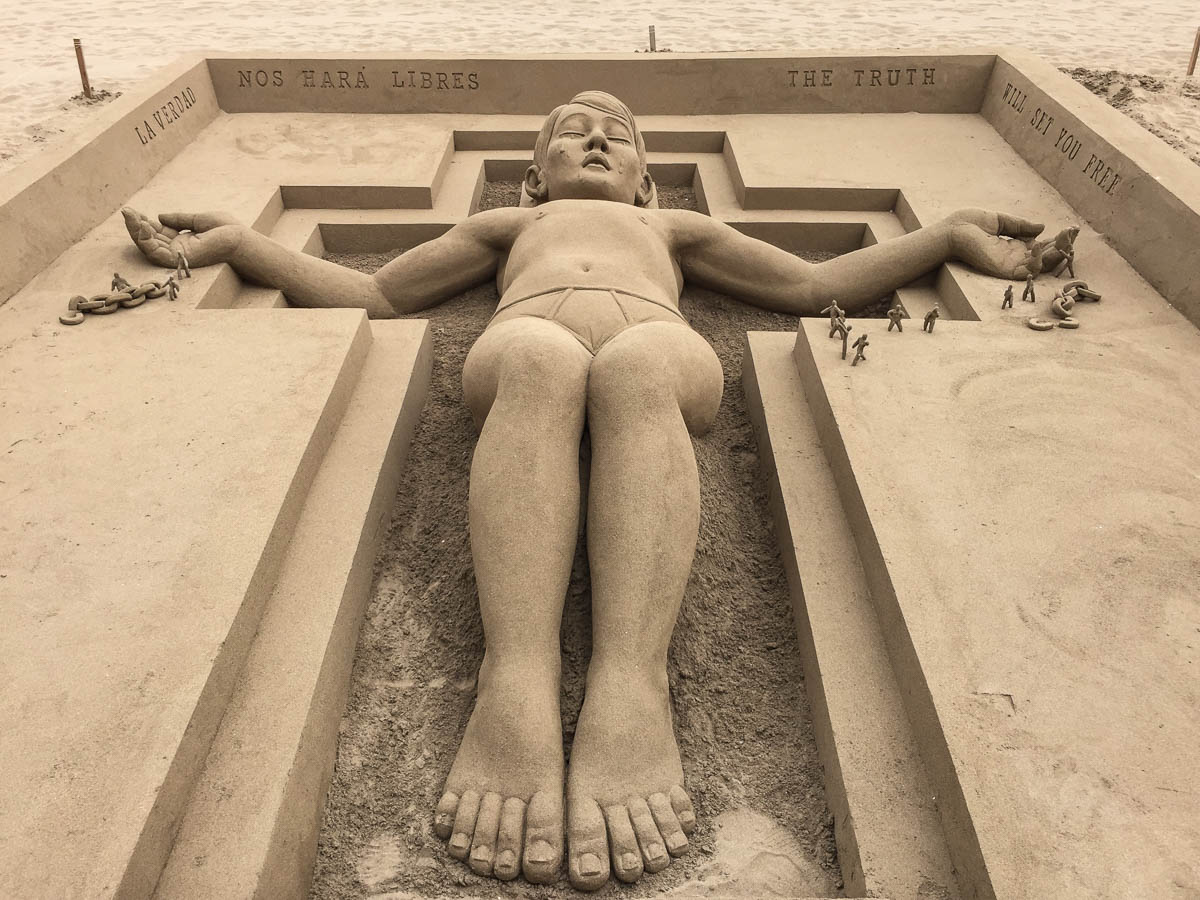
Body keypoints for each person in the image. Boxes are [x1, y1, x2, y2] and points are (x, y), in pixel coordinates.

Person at [122, 90, 1044, 892]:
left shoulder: (671, 228)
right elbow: (379, 293)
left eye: (618, 133)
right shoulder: (508, 228)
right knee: (536, 357)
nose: (597, 140)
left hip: (662, 348)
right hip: (520, 346)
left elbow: (811, 284)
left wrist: (950, 237)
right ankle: (514, 677)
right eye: (572, 132)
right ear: (534, 180)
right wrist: (240, 242)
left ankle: (629, 684)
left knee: (639, 368)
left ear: (646, 180)